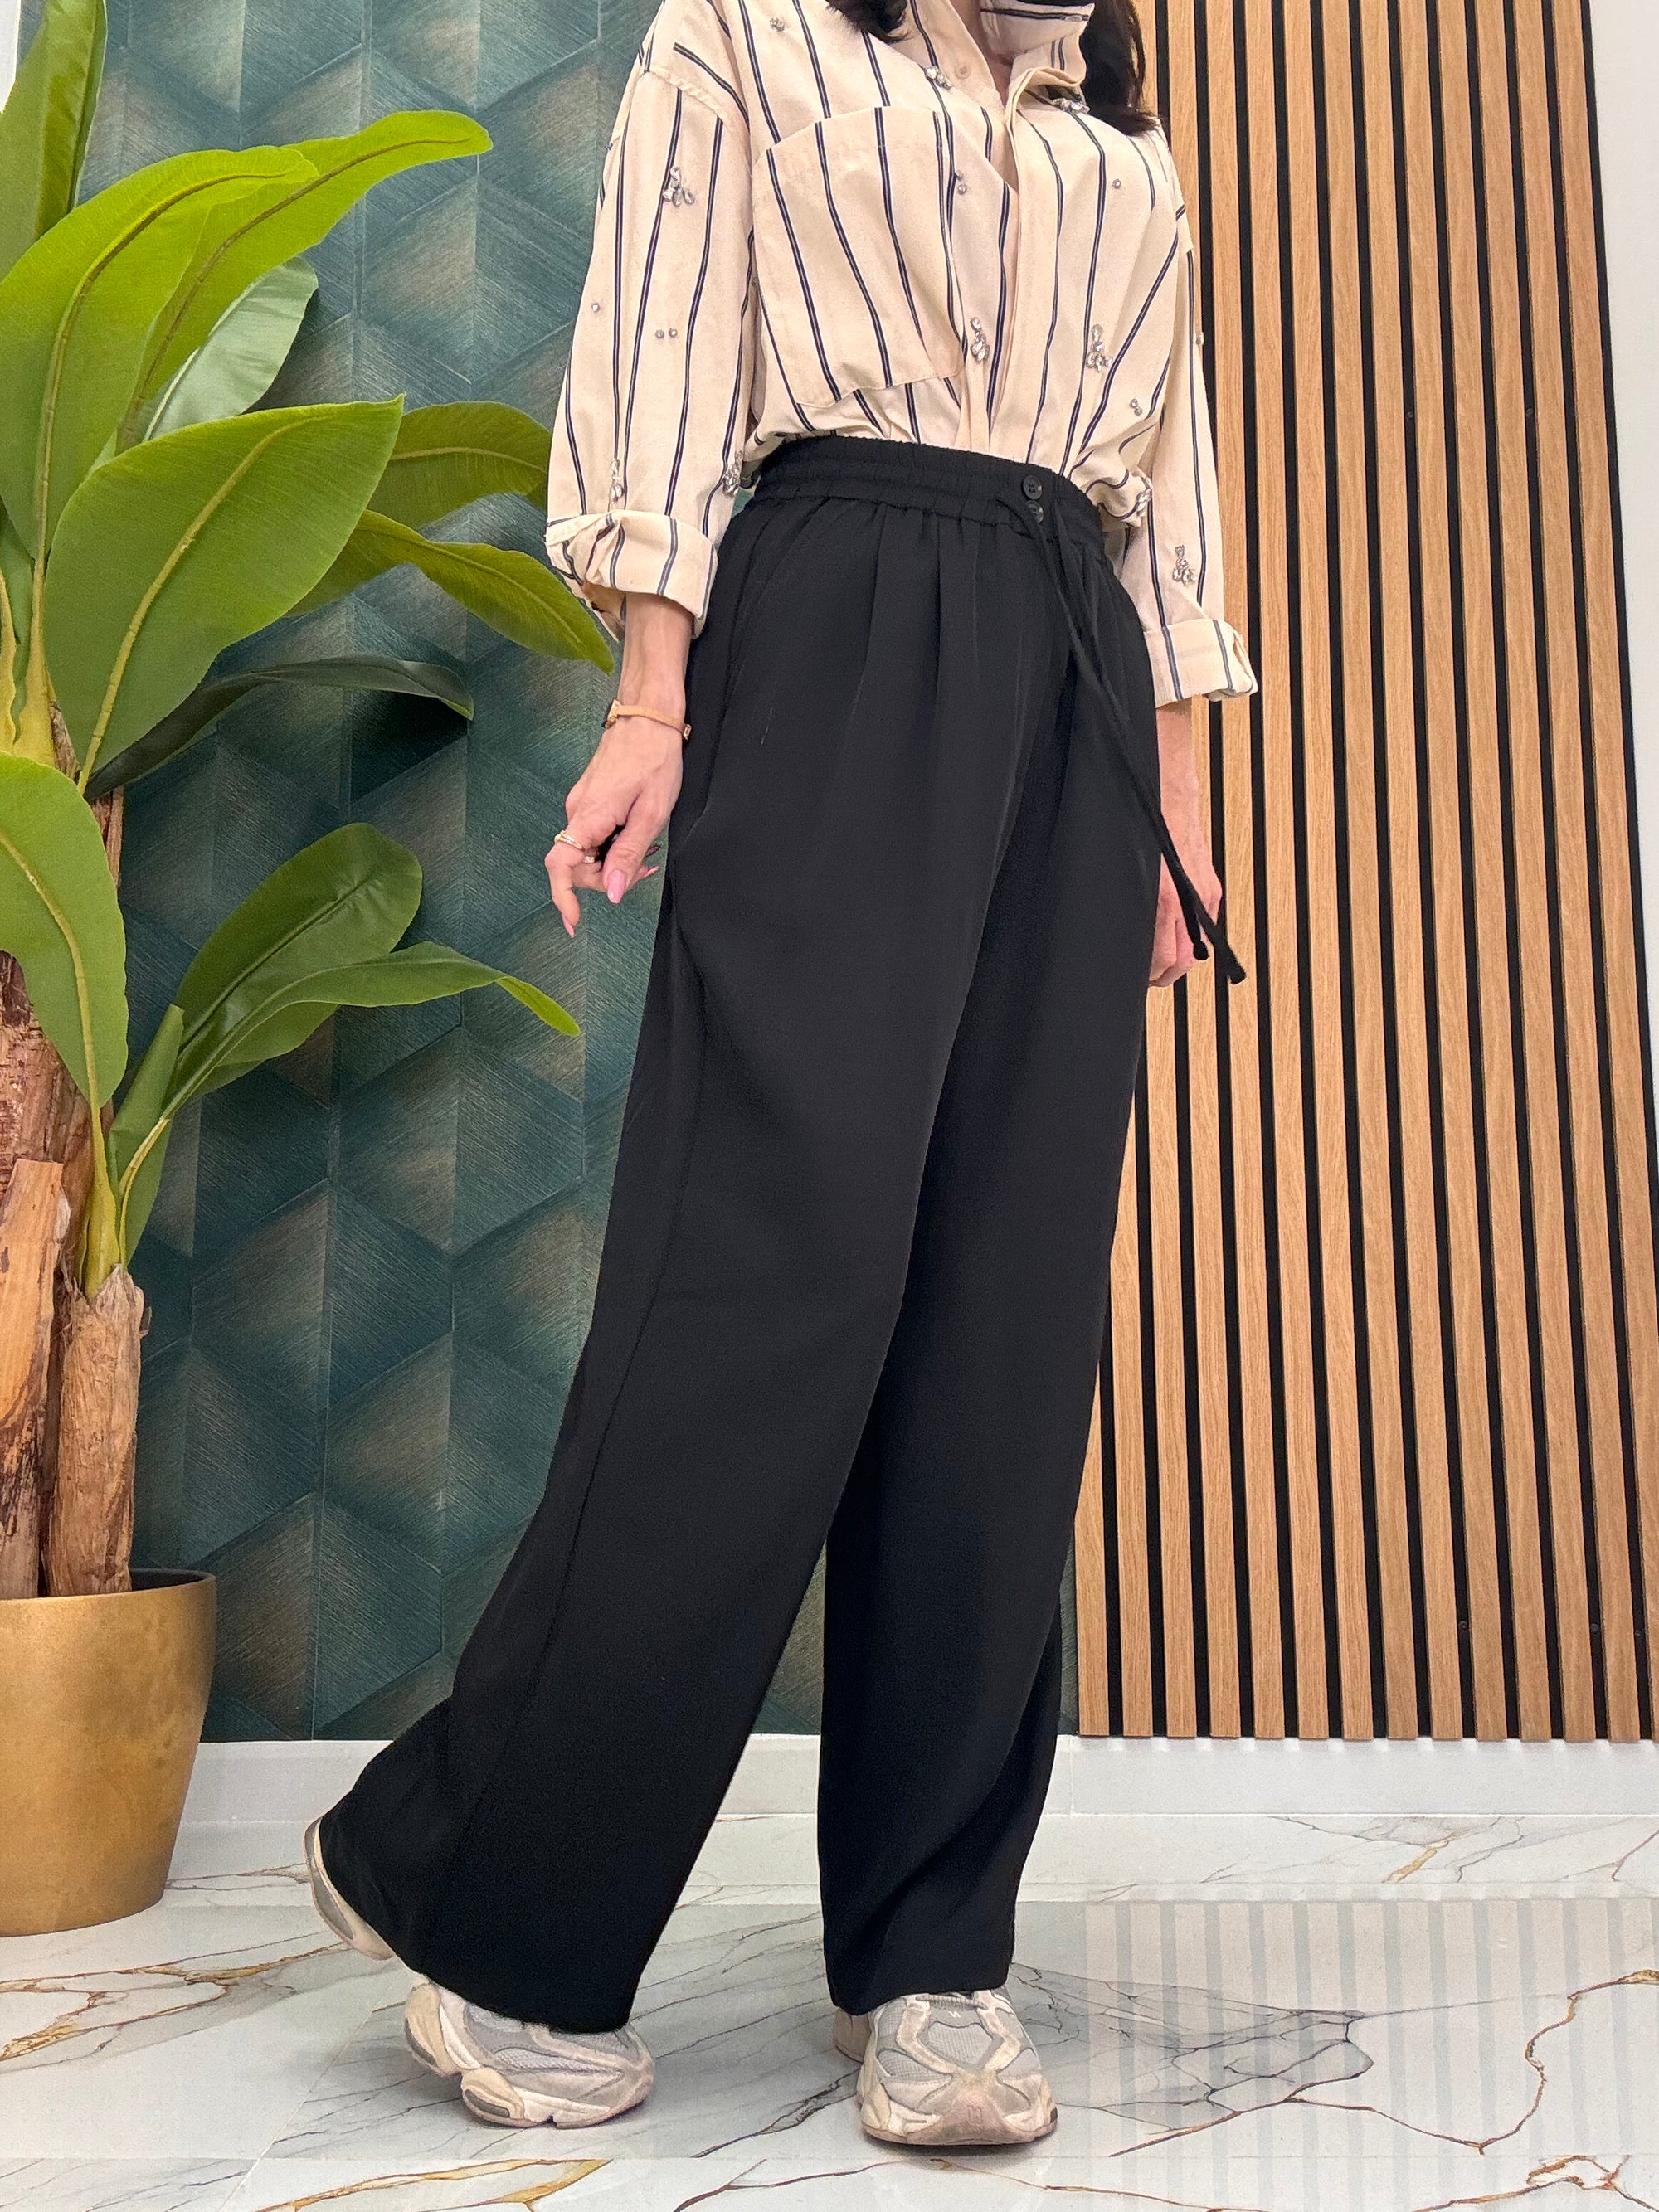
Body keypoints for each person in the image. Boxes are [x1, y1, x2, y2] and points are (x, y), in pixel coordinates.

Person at [304, 0, 1257, 2149]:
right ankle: (493, 1899)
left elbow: (1167, 501)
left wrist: (1176, 811)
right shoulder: (744, 41)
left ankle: (931, 1953)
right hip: (834, 616)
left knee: (1005, 1326)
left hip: (1078, 690)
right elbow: (658, 350)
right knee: (764, 1282)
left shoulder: (1134, 159)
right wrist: (652, 699)